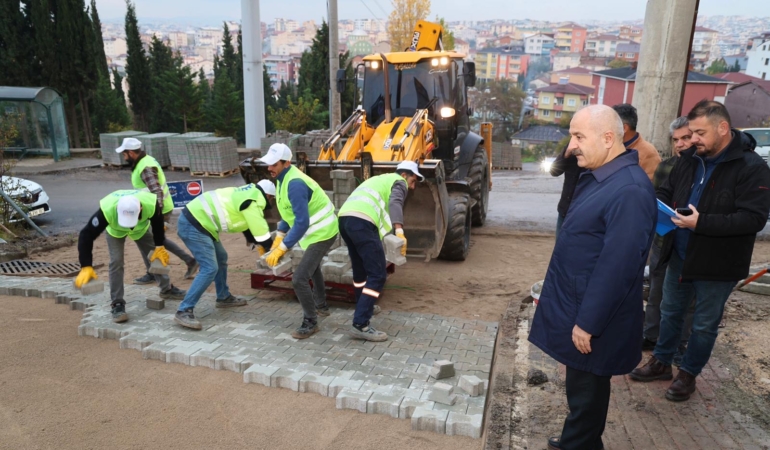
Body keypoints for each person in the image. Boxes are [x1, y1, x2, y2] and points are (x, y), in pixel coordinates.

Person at [528, 105, 656, 450]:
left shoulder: (628, 190)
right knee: (582, 387)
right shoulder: (604, 177)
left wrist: (588, 322)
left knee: (587, 390)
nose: (571, 146)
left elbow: (619, 266)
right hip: (581, 301)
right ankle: (578, 438)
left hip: (593, 314)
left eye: (579, 137)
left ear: (608, 138)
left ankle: (579, 443)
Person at [629, 100, 770, 402]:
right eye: (691, 133)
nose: (692, 139)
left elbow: (754, 219)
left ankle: (688, 374)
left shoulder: (752, 167)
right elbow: (667, 190)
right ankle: (661, 362)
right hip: (679, 254)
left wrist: (701, 222)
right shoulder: (690, 159)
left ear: (723, 128)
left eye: (699, 133)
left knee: (704, 325)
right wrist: (656, 205)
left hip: (719, 263)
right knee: (669, 312)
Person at [172, 181, 276, 329]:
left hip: (202, 223)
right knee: (209, 268)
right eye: (271, 199)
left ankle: (223, 297)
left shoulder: (247, 194)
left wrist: (255, 242)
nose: (270, 202)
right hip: (194, 225)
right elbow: (262, 234)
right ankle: (184, 310)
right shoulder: (252, 202)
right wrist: (273, 251)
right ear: (268, 195)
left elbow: (247, 225)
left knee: (221, 258)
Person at [260, 143, 339, 340]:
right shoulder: (282, 179)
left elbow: (301, 222)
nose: (269, 168)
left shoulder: (295, 183)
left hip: (324, 231)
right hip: (314, 232)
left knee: (299, 278)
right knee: (313, 267)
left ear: (286, 163)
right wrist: (280, 234)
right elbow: (289, 212)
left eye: (274, 164)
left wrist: (282, 248)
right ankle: (321, 306)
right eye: (269, 164)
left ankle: (311, 322)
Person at [337, 161, 420, 341]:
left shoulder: (380, 179)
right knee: (378, 275)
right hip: (362, 222)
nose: (412, 187)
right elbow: (396, 202)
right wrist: (399, 230)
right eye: (413, 181)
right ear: (404, 175)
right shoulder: (399, 181)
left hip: (345, 220)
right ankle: (360, 324)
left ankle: (363, 305)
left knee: (360, 271)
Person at [74, 190, 186, 323]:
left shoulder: (151, 204)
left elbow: (157, 224)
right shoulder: (107, 210)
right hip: (115, 231)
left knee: (157, 256)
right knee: (116, 262)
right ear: (117, 209)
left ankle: (166, 290)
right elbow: (86, 235)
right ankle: (117, 303)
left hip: (141, 230)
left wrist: (159, 246)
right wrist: (86, 266)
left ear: (141, 209)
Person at [643, 117, 696, 366]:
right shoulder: (665, 167)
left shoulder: (704, 169)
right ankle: (650, 336)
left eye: (686, 138)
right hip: (663, 240)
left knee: (686, 299)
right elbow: (656, 198)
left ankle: (680, 343)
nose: (680, 144)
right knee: (656, 291)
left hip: (690, 244)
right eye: (676, 140)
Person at [114, 137, 198, 285]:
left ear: (131, 153)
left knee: (145, 239)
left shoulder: (145, 167)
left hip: (156, 210)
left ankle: (154, 272)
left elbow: (156, 191)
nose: (124, 157)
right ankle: (188, 261)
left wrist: (156, 215)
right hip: (155, 208)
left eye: (124, 154)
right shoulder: (144, 161)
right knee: (156, 240)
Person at [612, 103, 662, 180]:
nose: (607, 129)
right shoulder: (610, 145)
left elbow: (649, 183)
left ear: (624, 128)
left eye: (611, 125)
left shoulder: (648, 152)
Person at [550, 144, 586, 236]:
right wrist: (566, 154)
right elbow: (554, 171)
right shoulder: (571, 146)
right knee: (560, 243)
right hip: (564, 210)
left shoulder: (596, 149)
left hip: (584, 213)